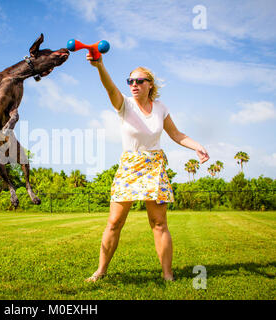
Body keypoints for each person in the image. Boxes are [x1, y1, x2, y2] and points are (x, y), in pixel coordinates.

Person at [85, 54, 210, 282]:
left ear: (150, 84)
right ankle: (101, 271)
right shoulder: (124, 104)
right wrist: (100, 66)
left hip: (154, 166)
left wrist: (197, 146)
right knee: (114, 222)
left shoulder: (160, 108)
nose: (134, 85)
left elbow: (176, 134)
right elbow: (110, 89)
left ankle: (167, 274)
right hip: (129, 165)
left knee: (159, 223)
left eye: (139, 81)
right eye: (130, 81)